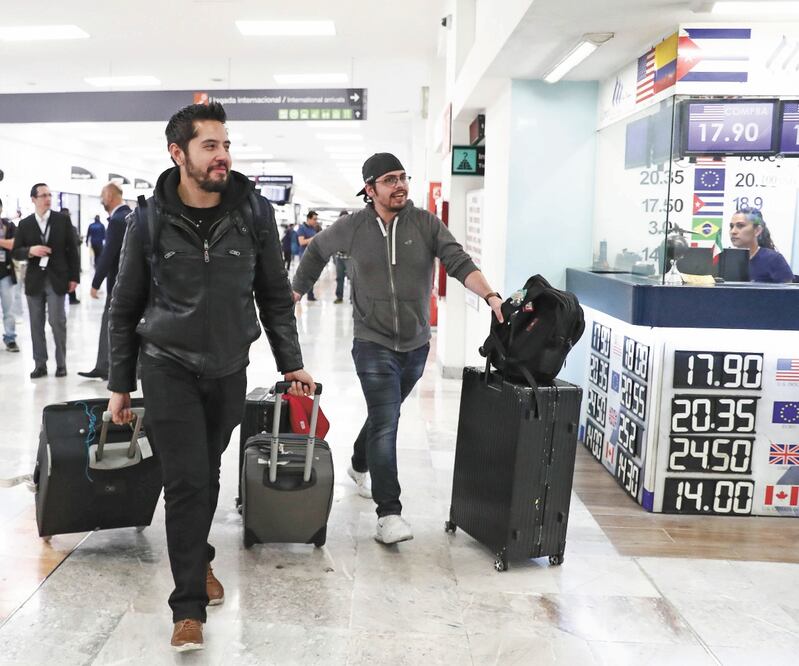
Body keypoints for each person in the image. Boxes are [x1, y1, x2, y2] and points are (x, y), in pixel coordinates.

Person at [106, 102, 314, 653]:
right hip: (166, 363)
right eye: (210, 146)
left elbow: (273, 293)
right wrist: (120, 383)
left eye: (225, 145)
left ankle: (200, 563)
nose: (223, 155)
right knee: (186, 480)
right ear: (179, 154)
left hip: (228, 366)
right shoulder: (147, 219)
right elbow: (124, 306)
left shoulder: (252, 213)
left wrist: (290, 361)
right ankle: (187, 608)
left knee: (208, 468)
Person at [292, 152, 503, 545]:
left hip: (416, 345)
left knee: (382, 413)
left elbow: (458, 261)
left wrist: (490, 295)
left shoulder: (424, 223)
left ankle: (358, 463)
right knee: (387, 419)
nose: (400, 185)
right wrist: (294, 293)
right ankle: (389, 513)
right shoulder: (351, 227)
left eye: (403, 177)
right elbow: (317, 252)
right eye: (390, 179)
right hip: (371, 341)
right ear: (370, 189)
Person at [12, 184, 79, 377]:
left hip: (57, 278)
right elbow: (16, 252)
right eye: (43, 195)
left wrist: (74, 277)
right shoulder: (25, 224)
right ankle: (40, 364)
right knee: (36, 324)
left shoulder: (62, 220)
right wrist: (30, 251)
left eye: (49, 195)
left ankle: (61, 364)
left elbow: (72, 251)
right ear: (33, 199)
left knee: (58, 322)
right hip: (34, 281)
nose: (47, 198)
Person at [78, 183, 131, 380]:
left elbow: (109, 254)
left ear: (109, 196)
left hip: (119, 284)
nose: (101, 199)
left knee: (109, 324)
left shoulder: (117, 220)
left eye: (102, 195)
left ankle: (104, 366)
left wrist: (95, 283)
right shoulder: (130, 215)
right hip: (131, 284)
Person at [729, 207, 794, 283]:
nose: (733, 231)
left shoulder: (774, 260)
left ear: (757, 230)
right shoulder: (726, 260)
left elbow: (789, 293)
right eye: (731, 226)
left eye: (740, 226)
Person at [0, 198, 20, 352]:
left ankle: (10, 338)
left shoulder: (8, 225)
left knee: (9, 309)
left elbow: (14, 244)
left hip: (6, 272)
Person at [296, 211, 320, 301]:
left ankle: (310, 295)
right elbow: (301, 242)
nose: (315, 221)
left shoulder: (313, 229)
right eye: (314, 219)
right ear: (308, 218)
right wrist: (313, 239)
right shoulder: (302, 228)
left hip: (313, 256)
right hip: (304, 256)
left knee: (311, 276)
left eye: (316, 219)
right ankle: (298, 296)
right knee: (303, 277)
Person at [60, 208, 81, 305]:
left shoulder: (69, 228)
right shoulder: (72, 228)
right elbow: (77, 242)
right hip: (67, 259)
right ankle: (71, 298)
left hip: (64, 258)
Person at [334, 209, 350, 304]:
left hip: (350, 258)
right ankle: (339, 297)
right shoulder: (336, 229)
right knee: (339, 278)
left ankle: (353, 299)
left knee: (353, 279)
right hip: (339, 258)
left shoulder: (352, 229)